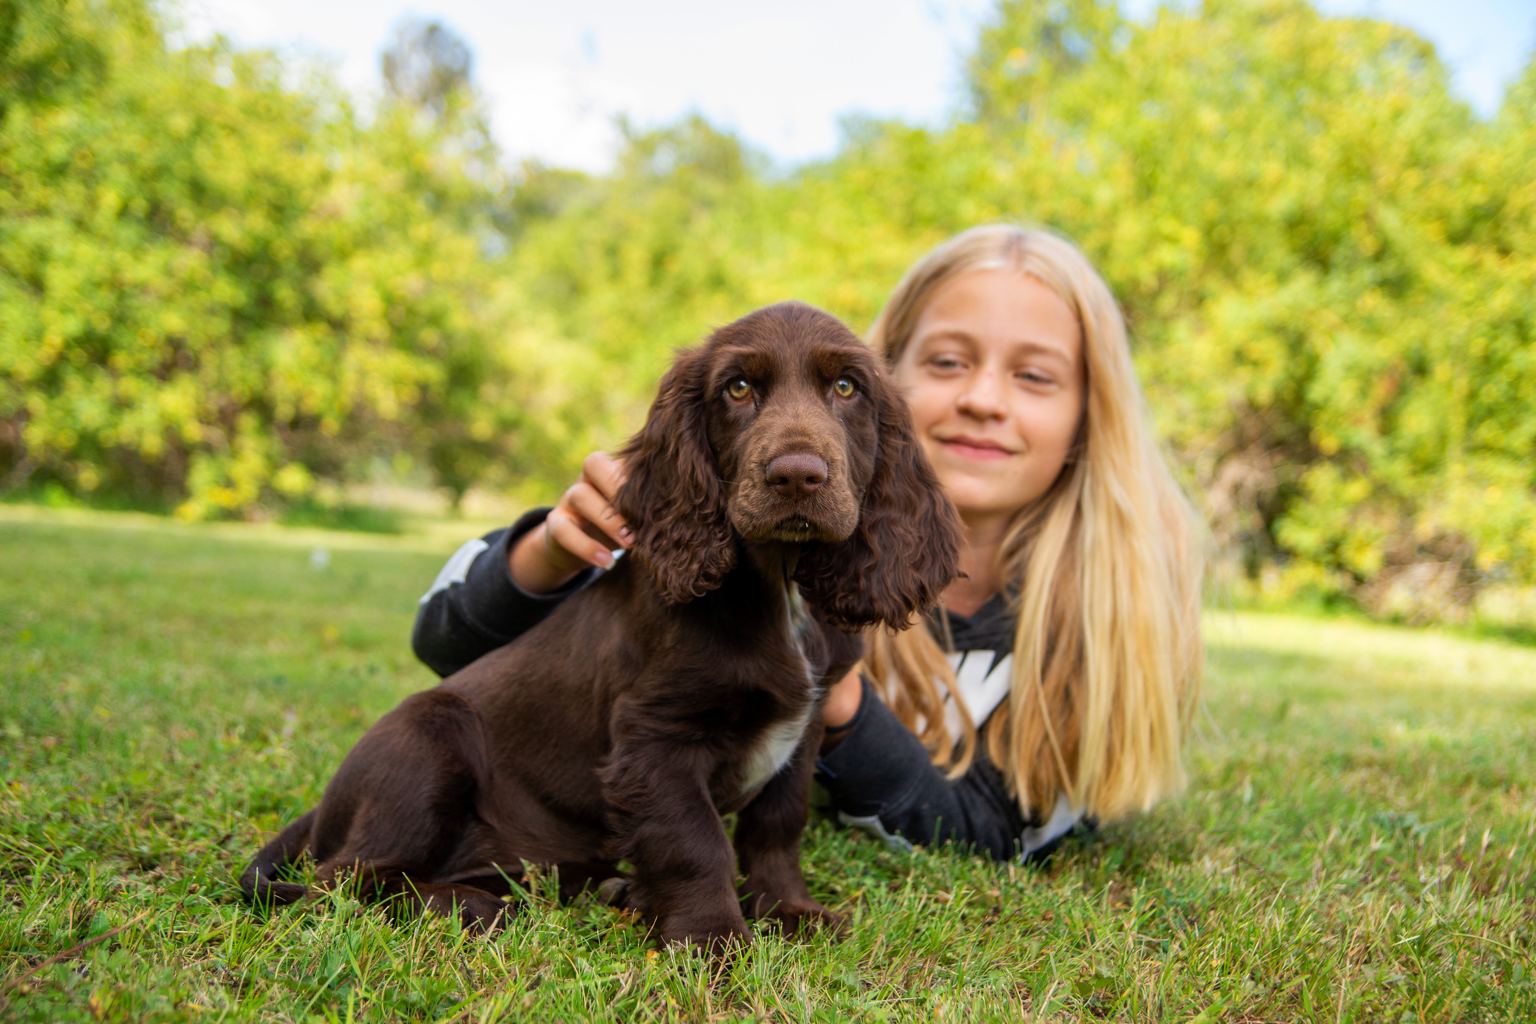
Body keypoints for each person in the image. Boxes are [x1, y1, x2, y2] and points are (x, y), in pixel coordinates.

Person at [412, 225, 1205, 864]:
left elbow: (995, 833)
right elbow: (458, 668)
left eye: (1035, 377)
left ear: (1087, 420)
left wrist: (837, 699)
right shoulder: (727, 519)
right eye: (948, 361)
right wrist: (550, 555)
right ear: (887, 377)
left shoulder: (1113, 616)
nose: (982, 399)